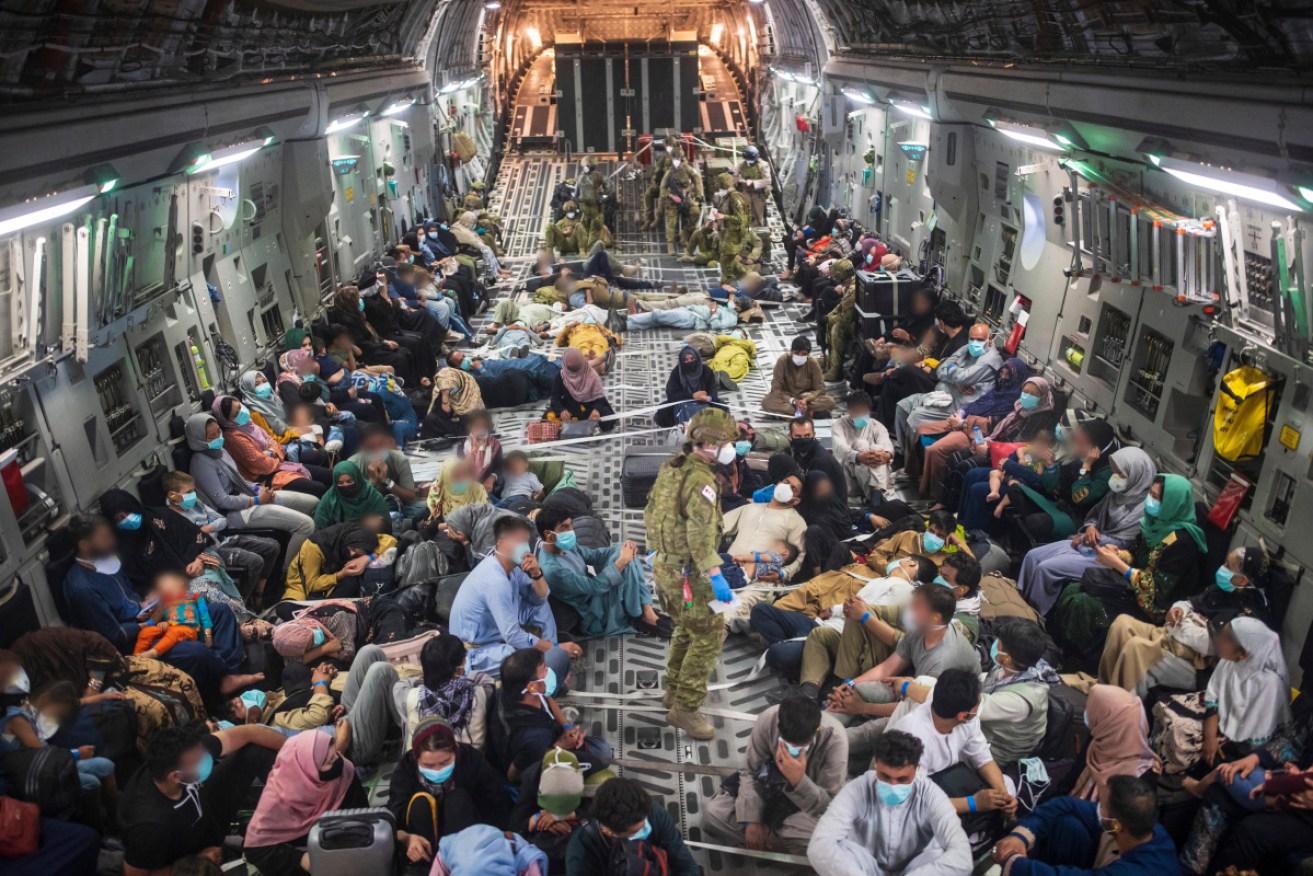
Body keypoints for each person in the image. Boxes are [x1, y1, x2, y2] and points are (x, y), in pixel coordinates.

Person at [62, 515, 260, 698]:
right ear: (84, 545)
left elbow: (129, 598)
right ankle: (220, 682)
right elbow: (112, 635)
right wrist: (150, 622)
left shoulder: (106, 560)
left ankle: (227, 675)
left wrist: (146, 603)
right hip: (134, 640)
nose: (111, 541)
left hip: (148, 617)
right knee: (196, 651)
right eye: (104, 538)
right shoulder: (82, 589)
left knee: (219, 611)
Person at [643, 407, 739, 740]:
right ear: (711, 444)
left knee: (686, 628)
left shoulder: (673, 467)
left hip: (667, 570)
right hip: (691, 575)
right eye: (727, 441)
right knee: (710, 635)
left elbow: (650, 512)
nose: (731, 448)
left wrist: (662, 552)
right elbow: (700, 536)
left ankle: (672, 690)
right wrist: (715, 575)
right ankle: (686, 708)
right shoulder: (701, 482)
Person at [1050, 472, 1207, 667]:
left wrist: (1119, 565)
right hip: (1133, 590)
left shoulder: (1182, 543)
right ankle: (1063, 650)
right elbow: (1135, 553)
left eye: (1156, 497)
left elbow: (1158, 591)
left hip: (1155, 607)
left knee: (1084, 603)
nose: (1150, 500)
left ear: (1172, 503)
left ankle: (1088, 663)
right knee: (1073, 589)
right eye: (1150, 493)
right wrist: (1119, 554)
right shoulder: (1152, 525)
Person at [1099, 545, 1271, 695]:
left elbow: (1209, 644)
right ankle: (1105, 687)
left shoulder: (1248, 616)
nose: (1222, 567)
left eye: (1228, 566)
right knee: (1122, 624)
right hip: (1179, 639)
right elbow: (1189, 603)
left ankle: (1119, 709)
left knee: (1137, 648)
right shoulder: (1221, 590)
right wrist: (1179, 610)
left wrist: (1182, 622)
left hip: (1201, 669)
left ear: (1242, 580)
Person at [118, 722, 284, 875]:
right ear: (175, 777)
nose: (207, 760)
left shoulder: (188, 753)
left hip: (207, 813)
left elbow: (249, 732)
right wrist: (196, 863)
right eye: (199, 761)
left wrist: (297, 749)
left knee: (254, 752)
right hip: (187, 853)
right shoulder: (149, 825)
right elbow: (135, 873)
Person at [807, 729, 972, 876]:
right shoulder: (857, 788)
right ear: (876, 765)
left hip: (917, 869)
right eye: (885, 777)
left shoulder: (931, 794)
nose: (893, 786)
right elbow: (819, 846)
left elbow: (962, 857)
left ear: (917, 769)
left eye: (902, 779)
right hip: (865, 868)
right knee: (841, 848)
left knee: (939, 855)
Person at [899, 618, 1058, 767]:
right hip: (980, 724)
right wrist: (917, 685)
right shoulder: (1014, 668)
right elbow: (979, 683)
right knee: (923, 683)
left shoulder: (1020, 701)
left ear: (1008, 658)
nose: (996, 644)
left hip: (993, 751)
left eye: (999, 643)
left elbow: (961, 705)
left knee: (927, 721)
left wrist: (907, 688)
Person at [1017, 446, 1155, 615]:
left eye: (1121, 474)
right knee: (1033, 556)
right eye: (1115, 472)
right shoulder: (1117, 494)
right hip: (1087, 541)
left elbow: (1124, 542)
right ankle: (1018, 599)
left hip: (1106, 556)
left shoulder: (1142, 509)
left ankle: (1034, 615)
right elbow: (1095, 515)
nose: (1115, 477)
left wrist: (1084, 538)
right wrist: (1090, 526)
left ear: (1136, 476)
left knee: (1046, 568)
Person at [702, 696, 848, 854]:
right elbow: (749, 772)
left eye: (801, 747)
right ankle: (766, 841)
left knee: (823, 843)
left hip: (801, 809)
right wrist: (751, 821)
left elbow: (829, 804)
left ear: (816, 731)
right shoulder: (768, 719)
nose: (793, 751)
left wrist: (799, 780)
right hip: (767, 788)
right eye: (788, 744)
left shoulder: (835, 740)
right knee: (713, 815)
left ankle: (761, 840)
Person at [447, 516, 581, 681]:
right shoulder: (495, 581)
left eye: (526, 541)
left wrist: (536, 574)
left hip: (498, 631)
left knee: (539, 605)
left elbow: (539, 598)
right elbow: (513, 635)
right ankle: (551, 661)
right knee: (513, 658)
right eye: (519, 542)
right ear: (501, 543)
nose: (525, 548)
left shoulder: (511, 568)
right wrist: (556, 647)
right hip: (477, 650)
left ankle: (551, 659)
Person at [823, 584, 980, 712]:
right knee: (854, 693)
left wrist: (863, 708)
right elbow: (887, 667)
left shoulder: (942, 661)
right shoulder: (919, 631)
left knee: (863, 731)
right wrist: (849, 685)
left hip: (936, 711)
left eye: (916, 607)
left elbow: (918, 707)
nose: (909, 610)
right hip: (909, 690)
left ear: (935, 617)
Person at [184, 413, 317, 563]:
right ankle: (288, 573)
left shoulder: (219, 451)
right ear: (198, 439)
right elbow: (222, 501)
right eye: (211, 436)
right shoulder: (201, 462)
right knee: (306, 525)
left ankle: (307, 554)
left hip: (247, 498)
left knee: (313, 503)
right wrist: (256, 500)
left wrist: (259, 490)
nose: (217, 437)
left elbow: (240, 481)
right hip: (234, 513)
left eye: (218, 432)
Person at [387, 717, 512, 874]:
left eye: (445, 762)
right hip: (422, 842)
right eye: (428, 765)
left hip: (467, 841)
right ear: (416, 758)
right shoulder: (405, 769)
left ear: (455, 751)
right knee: (420, 803)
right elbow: (392, 821)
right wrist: (407, 839)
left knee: (458, 799)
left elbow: (497, 806)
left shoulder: (472, 761)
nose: (438, 770)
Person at [992, 774, 1175, 875]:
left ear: (1116, 826)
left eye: (1102, 806)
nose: (1097, 808)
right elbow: (1066, 804)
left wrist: (1011, 860)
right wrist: (1019, 837)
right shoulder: (1144, 828)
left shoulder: (1141, 870)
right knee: (1069, 824)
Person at [241, 730, 368, 876]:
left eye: (336, 755)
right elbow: (256, 849)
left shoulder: (343, 769)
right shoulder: (277, 799)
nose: (338, 761)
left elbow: (362, 815)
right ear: (308, 770)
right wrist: (300, 858)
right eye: (329, 762)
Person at [535, 507, 669, 638]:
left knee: (624, 552)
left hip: (597, 594)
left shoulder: (564, 545)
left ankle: (645, 611)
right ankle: (640, 614)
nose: (571, 531)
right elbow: (594, 587)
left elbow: (594, 556)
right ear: (549, 535)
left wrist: (623, 547)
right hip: (593, 611)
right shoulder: (552, 569)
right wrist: (622, 560)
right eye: (564, 527)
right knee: (626, 563)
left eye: (571, 525)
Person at [491, 648, 612, 785]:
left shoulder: (510, 691)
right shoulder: (535, 737)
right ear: (532, 686)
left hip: (540, 738)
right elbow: (513, 777)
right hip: (541, 750)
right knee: (603, 754)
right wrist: (560, 747)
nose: (549, 670)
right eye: (545, 668)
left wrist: (566, 726)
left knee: (559, 654)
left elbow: (546, 698)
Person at [163, 470, 281, 607]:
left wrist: (208, 529)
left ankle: (260, 591)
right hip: (210, 552)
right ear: (172, 496)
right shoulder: (171, 519)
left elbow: (222, 521)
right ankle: (243, 603)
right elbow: (195, 543)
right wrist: (209, 530)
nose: (193, 495)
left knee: (273, 546)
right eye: (188, 492)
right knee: (255, 561)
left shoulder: (196, 503)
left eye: (193, 491)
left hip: (222, 539)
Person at [0, 680, 117, 806]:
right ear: (45, 699)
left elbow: (77, 702)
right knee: (92, 782)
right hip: (27, 774)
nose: (55, 717)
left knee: (107, 765)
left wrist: (103, 696)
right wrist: (76, 754)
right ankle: (96, 821)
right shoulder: (18, 719)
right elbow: (41, 753)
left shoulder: (34, 712)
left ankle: (113, 813)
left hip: (44, 764)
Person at [894, 323, 1004, 452]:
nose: (974, 343)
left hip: (958, 407)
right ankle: (902, 451)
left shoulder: (990, 361)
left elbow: (961, 377)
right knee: (902, 406)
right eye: (972, 339)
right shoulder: (966, 349)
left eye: (979, 339)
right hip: (944, 395)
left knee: (915, 417)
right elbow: (941, 369)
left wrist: (952, 370)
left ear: (990, 339)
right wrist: (956, 382)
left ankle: (910, 466)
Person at [1007, 419, 1117, 542]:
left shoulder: (1108, 470)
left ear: (1094, 448)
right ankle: (1044, 527)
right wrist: (1050, 466)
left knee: (1036, 522)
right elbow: (1050, 487)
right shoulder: (1080, 457)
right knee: (1014, 490)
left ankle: (1043, 531)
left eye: (1080, 443)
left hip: (1077, 518)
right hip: (1060, 504)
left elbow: (1079, 497)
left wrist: (1086, 467)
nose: (1075, 446)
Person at [565, 777, 701, 876]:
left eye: (645, 822)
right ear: (608, 830)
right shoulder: (581, 853)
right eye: (636, 831)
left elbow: (683, 861)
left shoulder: (652, 813)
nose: (646, 829)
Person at [211, 395, 328, 497]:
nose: (242, 412)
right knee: (319, 487)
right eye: (236, 414)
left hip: (279, 464)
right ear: (226, 421)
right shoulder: (234, 438)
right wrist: (274, 452)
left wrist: (270, 452)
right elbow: (263, 465)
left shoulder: (249, 424)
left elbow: (273, 442)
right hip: (266, 477)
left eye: (240, 407)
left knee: (327, 474)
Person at [398, 635, 494, 749]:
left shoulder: (409, 697)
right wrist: (463, 676)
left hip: (422, 762)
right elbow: (484, 679)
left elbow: (402, 684)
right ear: (459, 668)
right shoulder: (480, 693)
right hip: (469, 762)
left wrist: (427, 678)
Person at [1071, 685, 1160, 800]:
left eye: (1092, 709)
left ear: (1109, 721)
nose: (1087, 713)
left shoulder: (1142, 776)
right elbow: (1070, 781)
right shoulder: (1099, 741)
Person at [285, 520, 393, 600]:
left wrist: (367, 557)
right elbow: (312, 585)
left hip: (329, 586)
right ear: (348, 541)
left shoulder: (361, 536)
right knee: (288, 610)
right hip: (303, 587)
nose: (351, 554)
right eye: (351, 549)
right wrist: (341, 574)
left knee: (352, 582)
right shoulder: (315, 546)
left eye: (357, 554)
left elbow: (390, 540)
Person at [348, 423, 427, 519]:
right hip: (368, 508)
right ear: (362, 448)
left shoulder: (399, 459)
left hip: (394, 503)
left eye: (381, 445)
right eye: (371, 447)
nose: (377, 451)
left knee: (421, 509)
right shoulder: (352, 465)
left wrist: (387, 481)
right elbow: (353, 503)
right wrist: (372, 480)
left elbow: (411, 497)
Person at [833, 391, 896, 501]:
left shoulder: (877, 426)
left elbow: (888, 448)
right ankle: (875, 496)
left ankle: (876, 492)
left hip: (876, 471)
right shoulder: (839, 425)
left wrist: (882, 455)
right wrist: (858, 456)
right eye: (857, 412)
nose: (860, 415)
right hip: (850, 475)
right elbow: (840, 448)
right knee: (861, 444)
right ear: (849, 411)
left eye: (863, 412)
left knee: (877, 449)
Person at [762, 336, 837, 417]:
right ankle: (809, 413)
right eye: (797, 353)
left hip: (805, 398)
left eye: (804, 354)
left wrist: (805, 400)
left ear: (808, 354)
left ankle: (795, 413)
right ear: (791, 351)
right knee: (766, 402)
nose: (800, 356)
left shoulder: (813, 363)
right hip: (787, 398)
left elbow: (820, 389)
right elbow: (776, 389)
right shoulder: (782, 361)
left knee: (830, 401)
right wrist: (793, 401)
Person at [549, 347, 616, 430]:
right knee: (549, 417)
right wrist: (562, 411)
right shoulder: (561, 377)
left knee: (607, 420)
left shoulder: (592, 375)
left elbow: (599, 398)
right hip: (570, 407)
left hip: (591, 405)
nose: (576, 375)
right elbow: (555, 398)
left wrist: (596, 410)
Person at [657, 345, 722, 427]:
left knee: (722, 409)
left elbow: (713, 389)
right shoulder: (677, 373)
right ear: (681, 361)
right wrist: (692, 396)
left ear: (697, 358)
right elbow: (672, 395)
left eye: (692, 358)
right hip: (683, 403)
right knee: (662, 413)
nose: (690, 362)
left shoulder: (706, 371)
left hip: (704, 402)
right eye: (686, 360)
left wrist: (708, 398)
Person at [313, 460, 389, 529]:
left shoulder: (372, 495)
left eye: (349, 481)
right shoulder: (329, 499)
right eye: (340, 483)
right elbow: (319, 528)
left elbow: (387, 526)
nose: (345, 485)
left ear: (357, 479)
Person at [788, 415, 848, 498]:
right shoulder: (796, 452)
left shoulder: (821, 461)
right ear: (790, 436)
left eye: (807, 436)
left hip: (829, 505)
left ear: (814, 434)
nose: (803, 440)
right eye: (798, 436)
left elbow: (817, 495)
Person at [423, 365, 485, 438]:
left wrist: (457, 418)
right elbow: (443, 413)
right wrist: (445, 395)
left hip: (471, 421)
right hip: (452, 420)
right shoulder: (440, 388)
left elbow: (473, 412)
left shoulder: (469, 386)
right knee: (430, 419)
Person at [425, 456, 488, 525]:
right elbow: (434, 521)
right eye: (456, 476)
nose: (461, 479)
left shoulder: (476, 489)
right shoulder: (438, 490)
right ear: (446, 478)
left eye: (464, 474)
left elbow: (486, 514)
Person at [736, 144, 771, 226]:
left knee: (758, 214)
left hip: (758, 194)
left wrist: (753, 182)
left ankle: (760, 229)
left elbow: (768, 180)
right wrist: (742, 181)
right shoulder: (741, 164)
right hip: (746, 193)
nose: (749, 161)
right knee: (746, 213)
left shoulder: (763, 165)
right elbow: (735, 177)